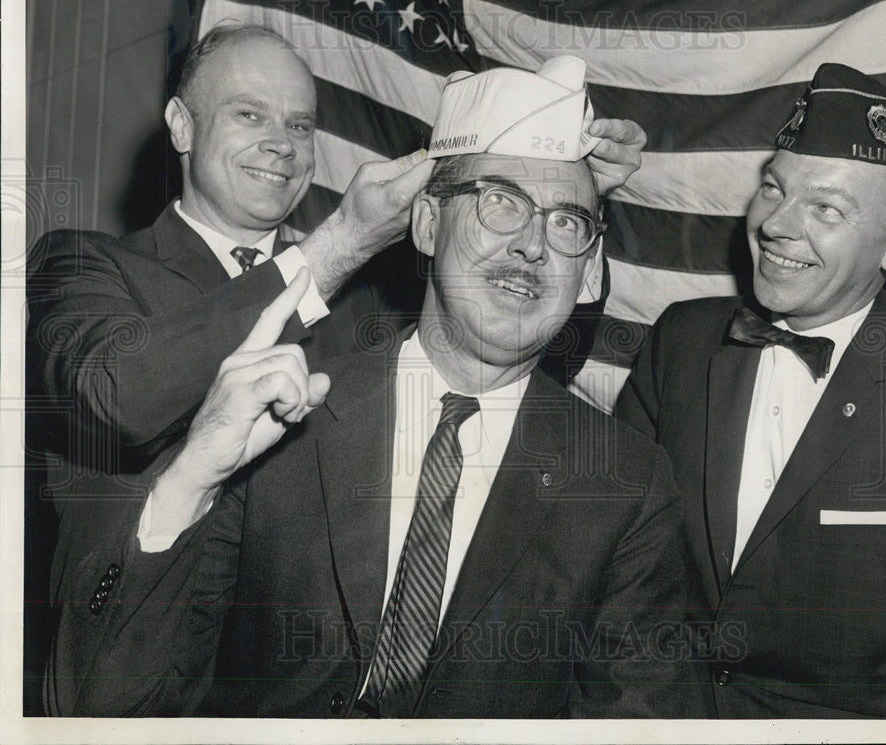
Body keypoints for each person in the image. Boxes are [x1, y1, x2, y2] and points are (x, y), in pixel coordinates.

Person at [43, 56, 711, 718]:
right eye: (501, 203)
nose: (533, 243)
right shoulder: (286, 414)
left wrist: (570, 217)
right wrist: (191, 478)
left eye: (564, 224)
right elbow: (116, 704)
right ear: (424, 224)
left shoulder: (628, 483)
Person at [26, 22, 646, 471]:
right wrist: (342, 243)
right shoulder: (83, 263)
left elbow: (522, 363)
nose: (281, 143)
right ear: (182, 124)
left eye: (299, 124)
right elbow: (116, 399)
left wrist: (576, 199)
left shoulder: (369, 299)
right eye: (249, 115)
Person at [615, 63, 886, 718]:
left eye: (826, 209)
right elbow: (617, 573)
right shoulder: (681, 341)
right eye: (774, 189)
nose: (776, 225)